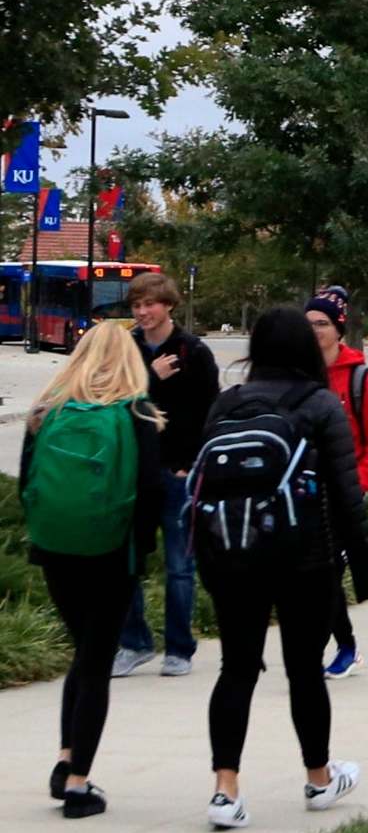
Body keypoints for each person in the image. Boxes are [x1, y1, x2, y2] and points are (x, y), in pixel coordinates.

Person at [196, 306, 368, 831]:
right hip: (305, 559)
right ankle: (319, 778)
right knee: (305, 671)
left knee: (236, 668)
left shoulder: (225, 404)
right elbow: (347, 495)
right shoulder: (321, 404)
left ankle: (225, 790)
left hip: (232, 555)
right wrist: (365, 572)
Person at [19, 320, 167, 818]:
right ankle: (79, 783)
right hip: (112, 553)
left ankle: (65, 759)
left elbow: (27, 485)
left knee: (83, 654)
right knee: (96, 662)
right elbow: (150, 492)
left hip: (55, 548)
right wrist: (142, 548)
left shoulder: (45, 414)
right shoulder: (138, 413)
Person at [115, 270, 217, 679]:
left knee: (179, 566)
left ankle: (179, 649)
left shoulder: (194, 351)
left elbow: (209, 413)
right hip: (133, 472)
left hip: (178, 472)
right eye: (137, 305)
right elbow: (117, 406)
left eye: (150, 304)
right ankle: (134, 643)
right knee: (126, 563)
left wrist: (190, 463)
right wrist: (149, 381)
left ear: (169, 305)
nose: (142, 312)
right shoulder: (127, 350)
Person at [307, 294, 368, 678]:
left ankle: (341, 646)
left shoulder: (362, 380)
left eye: (322, 324)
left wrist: (358, 485)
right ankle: (339, 644)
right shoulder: (299, 376)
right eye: (308, 324)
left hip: (344, 492)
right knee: (313, 574)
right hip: (303, 491)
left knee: (328, 572)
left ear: (338, 329)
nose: (315, 331)